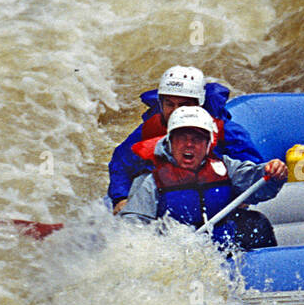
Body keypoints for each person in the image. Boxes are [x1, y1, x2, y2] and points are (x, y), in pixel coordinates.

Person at [121, 106, 287, 249]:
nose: (189, 144)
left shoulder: (225, 167)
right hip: (177, 248)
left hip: (221, 242)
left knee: (257, 223)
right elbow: (133, 228)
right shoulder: (151, 180)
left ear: (208, 145)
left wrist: (273, 174)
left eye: (197, 139)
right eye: (182, 138)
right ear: (170, 142)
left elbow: (260, 186)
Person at [108, 65, 261, 212]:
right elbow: (121, 163)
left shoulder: (226, 131)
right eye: (169, 104)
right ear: (161, 103)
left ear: (199, 104)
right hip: (168, 194)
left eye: (183, 105)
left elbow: (250, 169)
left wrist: (241, 197)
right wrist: (121, 198)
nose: (176, 111)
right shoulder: (148, 129)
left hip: (212, 193)